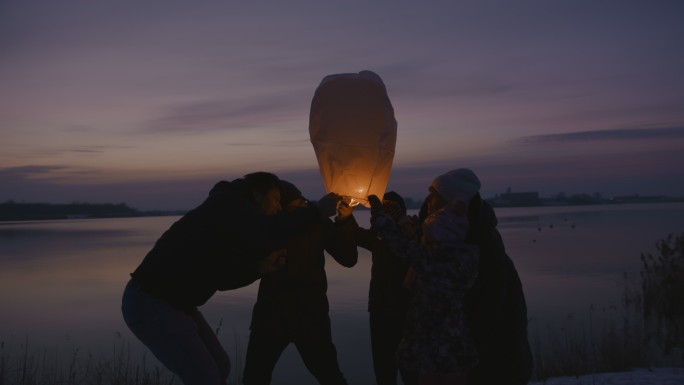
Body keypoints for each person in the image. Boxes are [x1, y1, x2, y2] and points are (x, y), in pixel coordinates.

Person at [121, 172, 341, 385]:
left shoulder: (233, 224)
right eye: (275, 200)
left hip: (177, 304)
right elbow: (266, 231)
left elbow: (223, 279)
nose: (277, 208)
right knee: (204, 377)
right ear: (257, 195)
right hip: (149, 302)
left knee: (220, 366)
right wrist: (317, 212)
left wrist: (259, 268)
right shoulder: (227, 205)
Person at [407, 168, 533, 385]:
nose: (428, 202)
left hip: (483, 369)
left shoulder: (478, 252)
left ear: (453, 204)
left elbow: (483, 315)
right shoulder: (440, 243)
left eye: (434, 197)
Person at [368, 173, 480, 385]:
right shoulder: (459, 253)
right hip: (449, 347)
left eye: (428, 235)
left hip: (439, 350)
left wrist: (381, 217)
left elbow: (407, 250)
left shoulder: (439, 260)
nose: (427, 200)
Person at [242, 180, 358, 385]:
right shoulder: (269, 225)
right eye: (297, 206)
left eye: (303, 203)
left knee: (330, 377)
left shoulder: (318, 222)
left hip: (309, 315)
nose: (304, 208)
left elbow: (348, 258)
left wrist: (344, 222)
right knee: (255, 377)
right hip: (272, 316)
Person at [356, 191, 414, 385]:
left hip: (409, 314)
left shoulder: (418, 240)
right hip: (380, 312)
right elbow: (356, 235)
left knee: (411, 371)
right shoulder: (378, 238)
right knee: (383, 371)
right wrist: (344, 219)